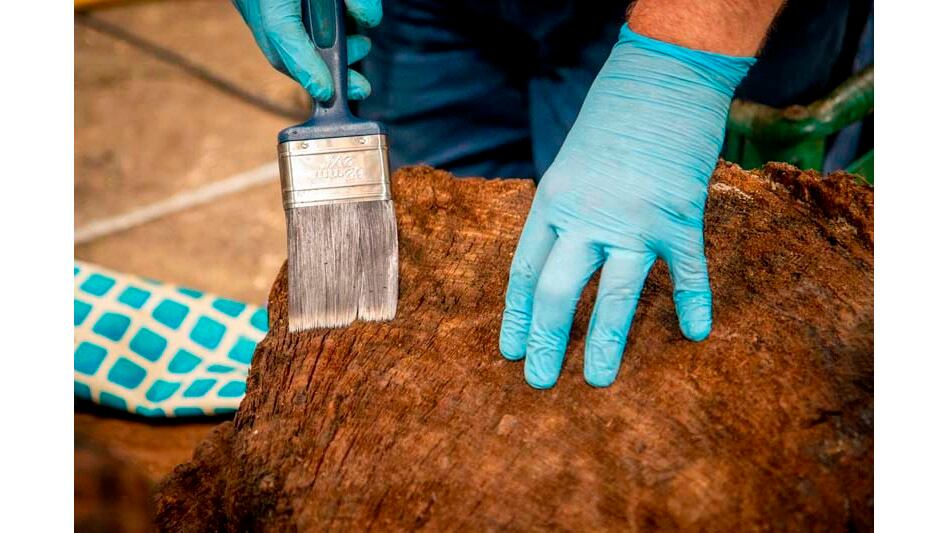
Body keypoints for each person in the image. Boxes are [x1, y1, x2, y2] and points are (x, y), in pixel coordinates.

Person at [232, 0, 866, 389]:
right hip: (417, 15)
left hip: (671, 25)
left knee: (633, 327)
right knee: (440, 303)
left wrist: (681, 59)